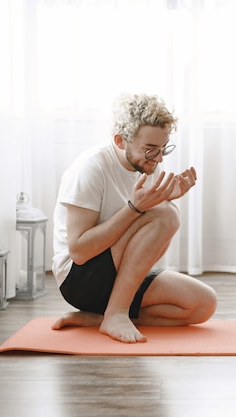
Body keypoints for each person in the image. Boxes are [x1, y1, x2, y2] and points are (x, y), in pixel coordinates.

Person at [51, 93, 217, 343]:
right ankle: (116, 313)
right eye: (150, 150)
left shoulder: (147, 165)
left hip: (119, 274)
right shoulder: (90, 169)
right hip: (80, 279)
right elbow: (79, 252)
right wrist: (135, 208)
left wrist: (164, 198)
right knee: (167, 216)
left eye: (163, 149)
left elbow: (145, 233)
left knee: (203, 304)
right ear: (120, 141)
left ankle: (103, 317)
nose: (159, 159)